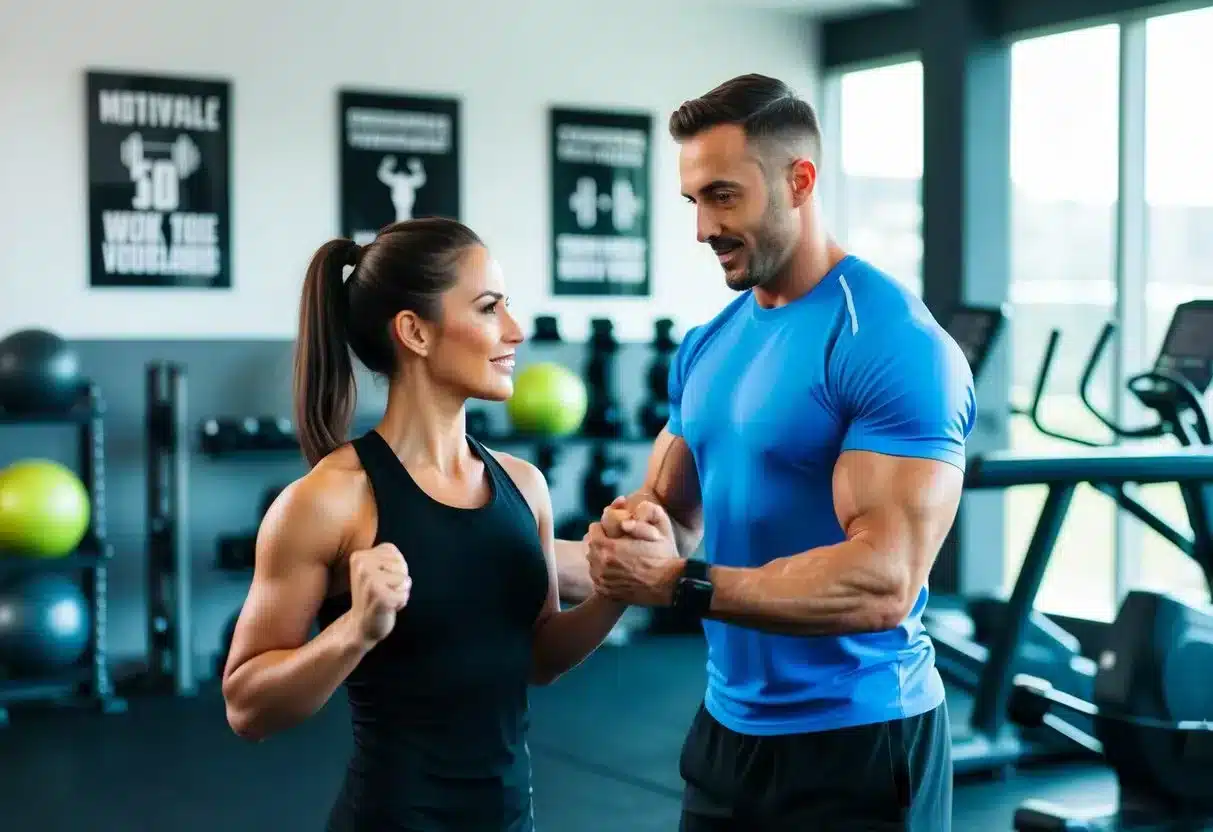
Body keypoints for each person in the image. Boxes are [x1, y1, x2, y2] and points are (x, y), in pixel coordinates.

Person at [575, 74, 976, 830]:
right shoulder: (708, 344)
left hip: (861, 737)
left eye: (723, 196)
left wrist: (679, 582)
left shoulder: (889, 342)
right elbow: (676, 516)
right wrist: (638, 531)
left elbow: (884, 583)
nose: (703, 228)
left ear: (799, 181)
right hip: (726, 731)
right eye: (693, 201)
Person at [220, 217, 627, 832]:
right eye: (489, 308)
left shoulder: (524, 486)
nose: (515, 330)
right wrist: (356, 630)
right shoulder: (331, 499)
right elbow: (247, 708)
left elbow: (538, 657)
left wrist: (617, 592)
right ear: (414, 331)